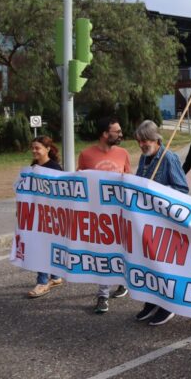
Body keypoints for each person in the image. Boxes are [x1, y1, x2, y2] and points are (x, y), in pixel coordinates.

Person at [132, 120, 189, 326]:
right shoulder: (144, 158)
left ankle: (167, 305)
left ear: (156, 139)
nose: (142, 144)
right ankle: (151, 301)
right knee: (148, 264)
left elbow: (182, 189)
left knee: (163, 265)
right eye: (139, 141)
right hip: (146, 222)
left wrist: (159, 194)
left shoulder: (168, 158)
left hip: (164, 223)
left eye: (145, 140)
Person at [77, 116, 131, 313]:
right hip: (98, 216)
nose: (121, 134)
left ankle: (121, 281)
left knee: (120, 251)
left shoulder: (123, 153)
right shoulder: (86, 154)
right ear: (105, 134)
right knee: (103, 254)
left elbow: (129, 181)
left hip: (119, 215)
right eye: (117, 131)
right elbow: (79, 184)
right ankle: (103, 295)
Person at [26, 136, 64, 298]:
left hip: (51, 215)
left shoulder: (55, 168)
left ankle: (42, 282)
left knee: (42, 248)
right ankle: (54, 277)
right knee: (44, 246)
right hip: (37, 213)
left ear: (47, 149)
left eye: (38, 148)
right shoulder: (33, 166)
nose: (34, 151)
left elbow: (63, 191)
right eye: (33, 148)